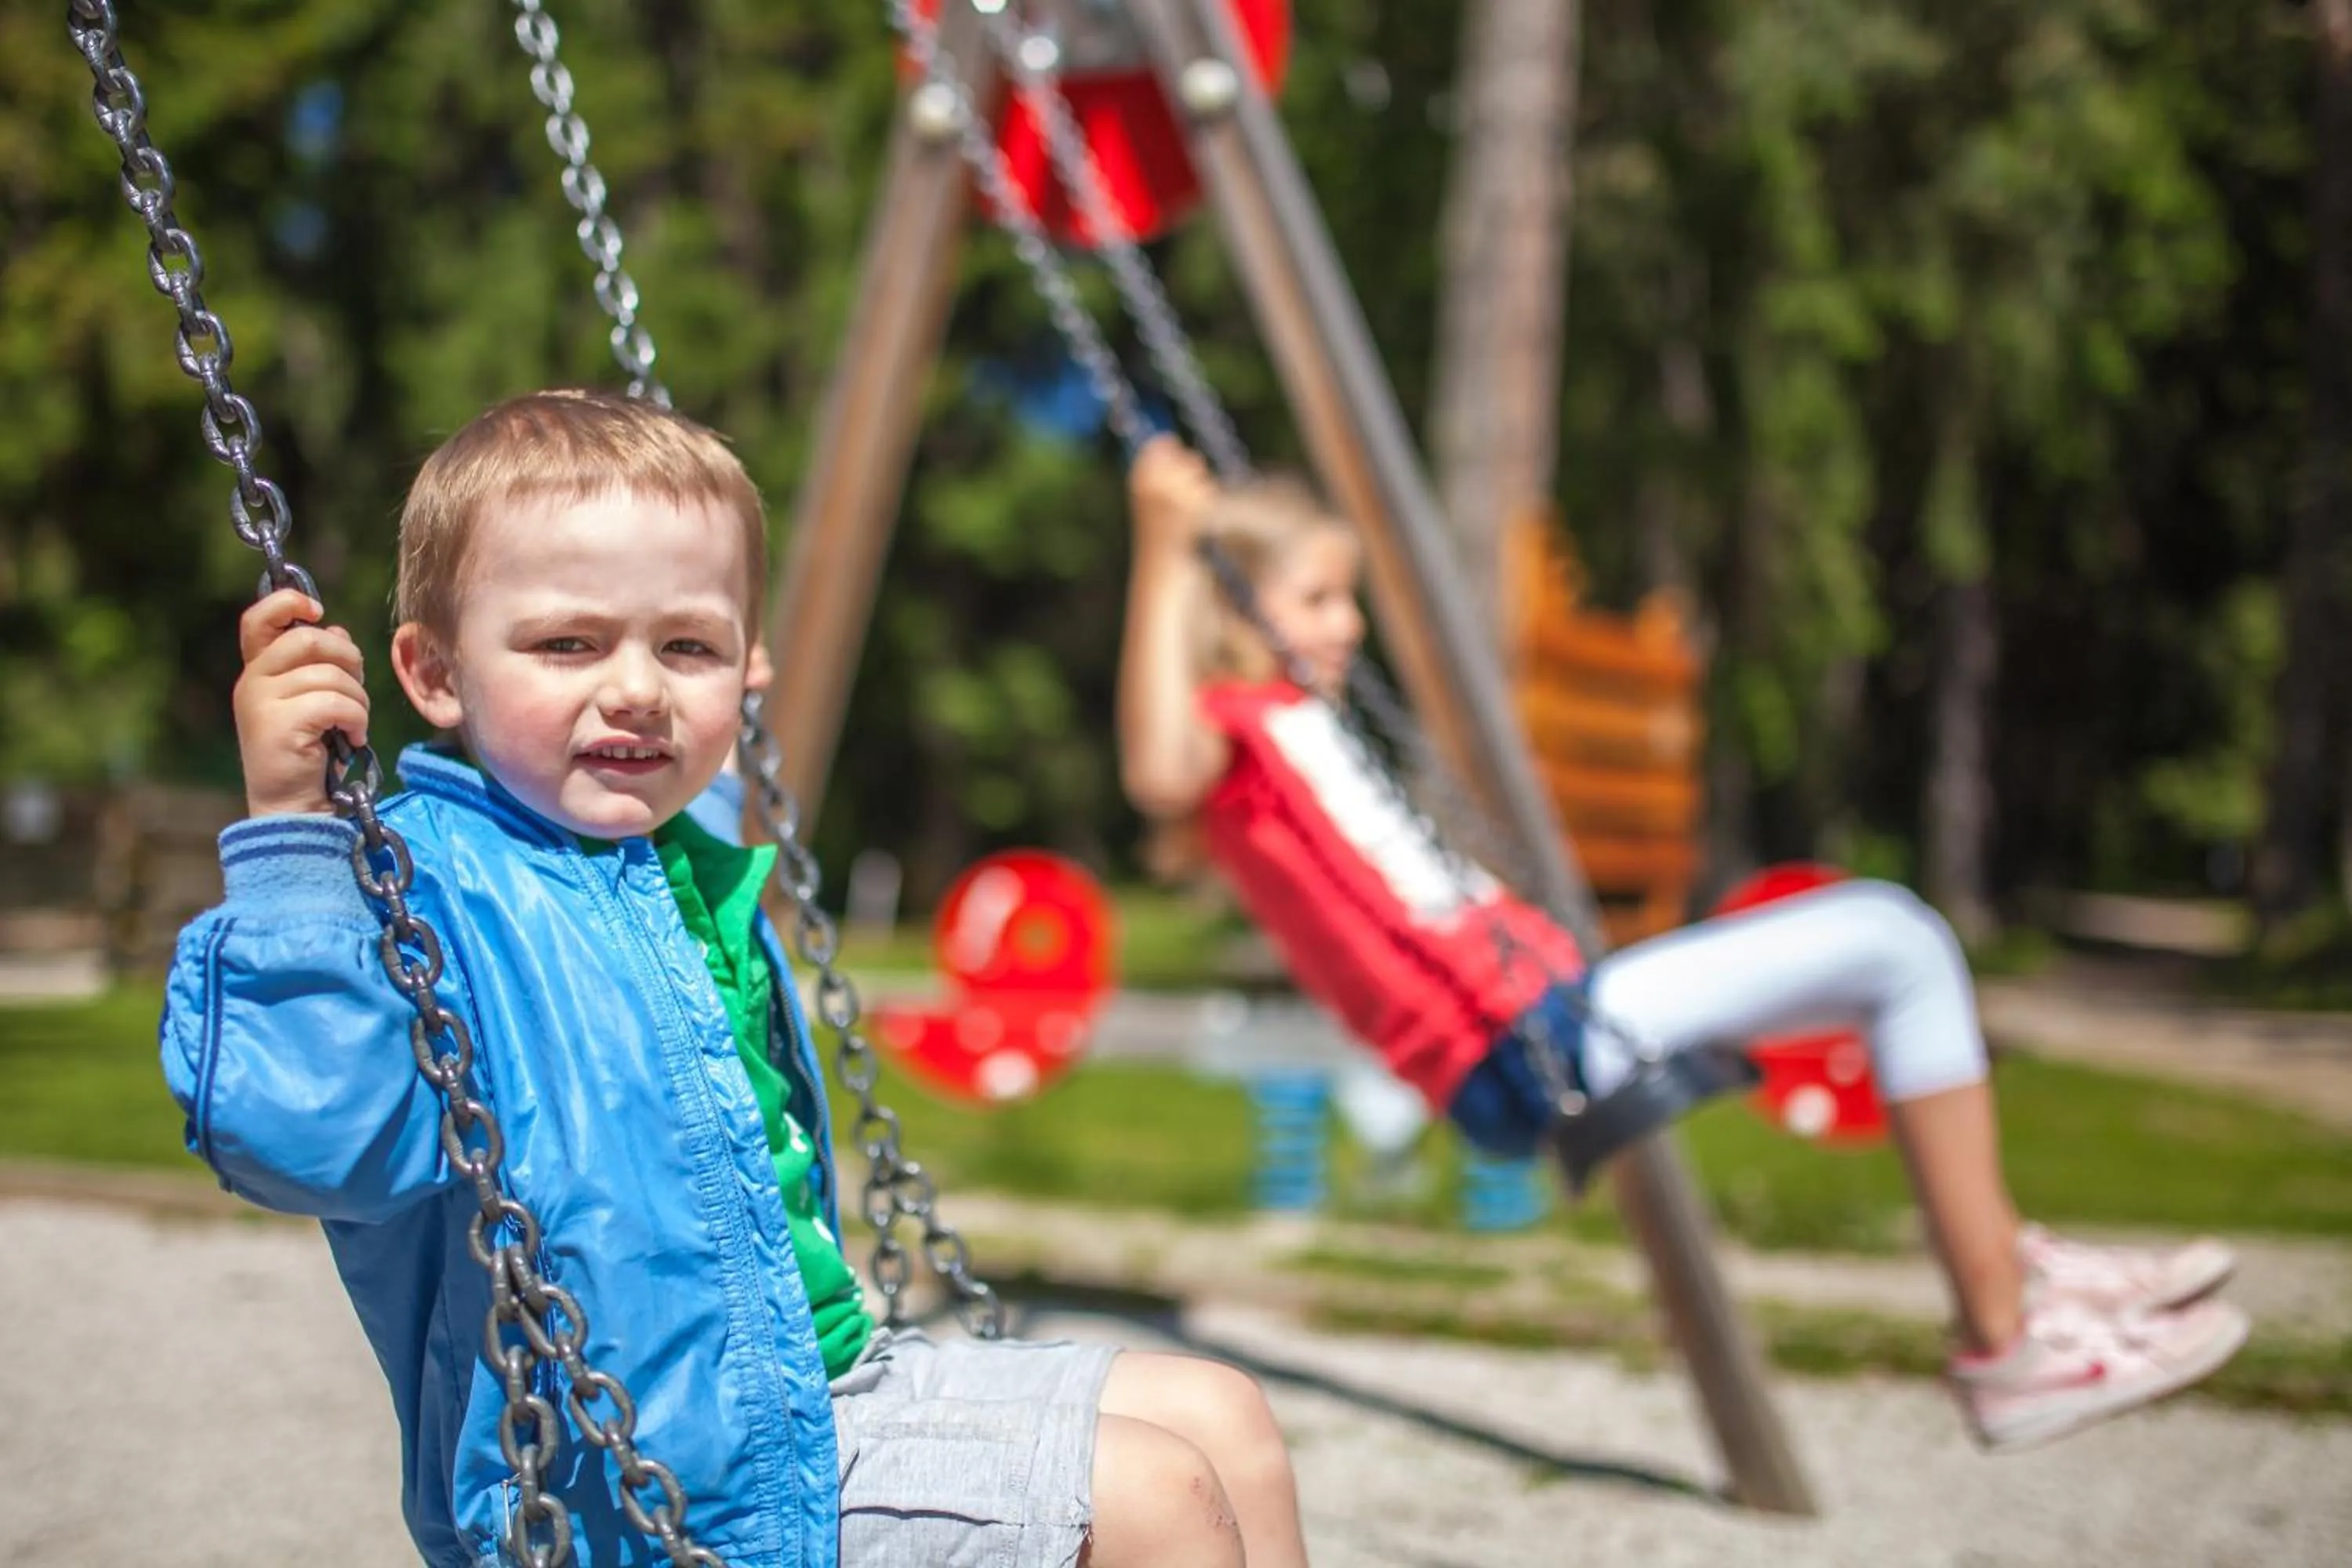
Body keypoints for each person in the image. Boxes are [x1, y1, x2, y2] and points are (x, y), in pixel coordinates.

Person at [161, 390, 1307, 1568]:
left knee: (1230, 1419)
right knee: (1158, 1499)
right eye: (569, 643)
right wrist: (295, 840)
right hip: (664, 1479)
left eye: (688, 646)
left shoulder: (671, 850)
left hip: (822, 1380)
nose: (639, 689)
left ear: (746, 666)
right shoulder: (421, 894)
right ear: (434, 672)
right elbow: (311, 1144)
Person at [1116, 436, 2249, 1456]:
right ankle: (2010, 1327)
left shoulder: (1299, 724)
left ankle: (2016, 1283)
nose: (1347, 625)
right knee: (1900, 943)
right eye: (1317, 598)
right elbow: (1154, 768)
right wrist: (1165, 552)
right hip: (1524, 1043)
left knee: (1902, 958)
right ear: (1237, 612)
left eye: (1345, 597)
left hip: (1542, 1018)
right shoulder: (1230, 733)